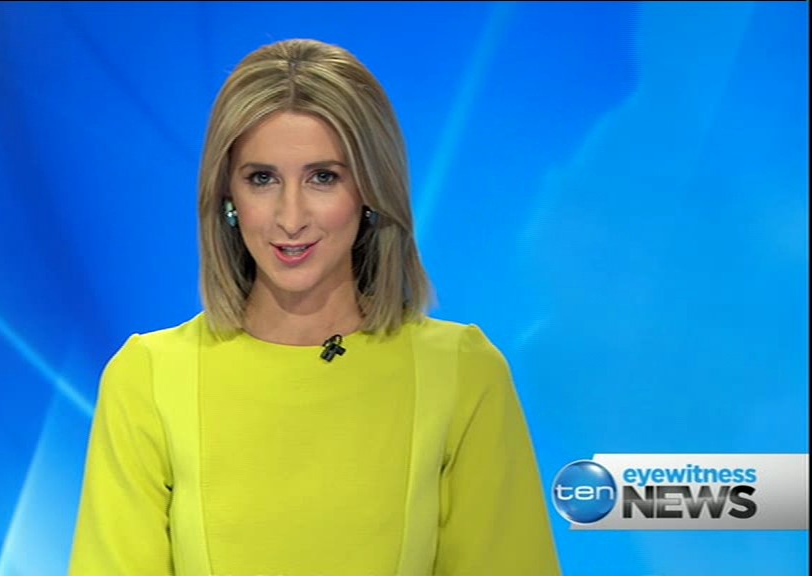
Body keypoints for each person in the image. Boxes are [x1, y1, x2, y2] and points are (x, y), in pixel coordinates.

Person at [69, 38, 560, 575]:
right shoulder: (149, 380)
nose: (291, 217)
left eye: (323, 177)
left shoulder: (461, 372)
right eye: (262, 179)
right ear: (228, 195)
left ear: (370, 190)